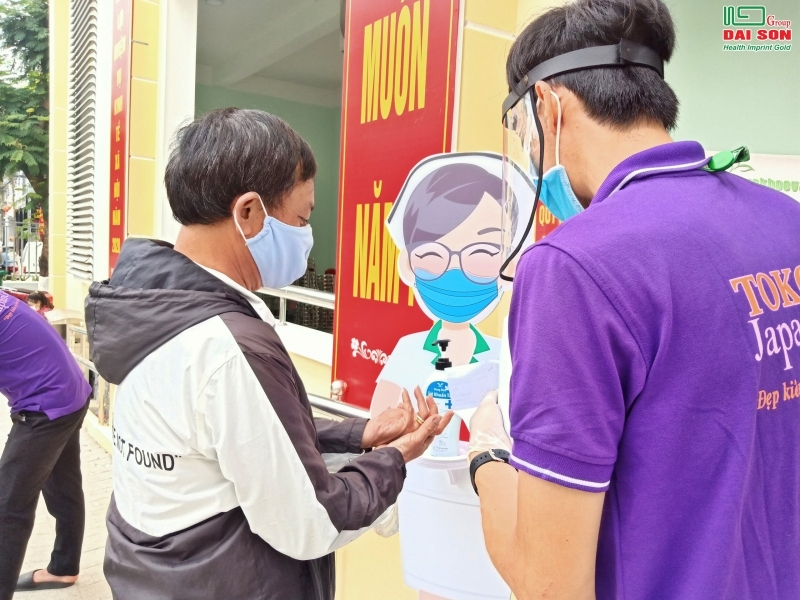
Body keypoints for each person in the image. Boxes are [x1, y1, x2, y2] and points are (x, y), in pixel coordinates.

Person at [467, 0, 800, 598]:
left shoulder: (573, 267)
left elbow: (549, 586)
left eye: (521, 131)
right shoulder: (786, 221)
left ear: (546, 106)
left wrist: (487, 457)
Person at [86, 108, 453, 600]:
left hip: (153, 574)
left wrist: (358, 434)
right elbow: (310, 521)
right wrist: (396, 457)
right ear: (249, 213)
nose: (307, 237)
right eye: (302, 218)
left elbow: (237, 436)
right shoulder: (227, 345)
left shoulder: (150, 307)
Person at [371, 153, 533, 416]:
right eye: (433, 254)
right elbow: (378, 423)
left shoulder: (503, 356)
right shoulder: (408, 350)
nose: (455, 271)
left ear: (509, 265)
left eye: (482, 252)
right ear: (409, 264)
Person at [0, 290, 91, 598]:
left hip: (45, 405)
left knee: (8, 507)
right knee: (63, 486)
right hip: (70, 390)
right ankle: (64, 567)